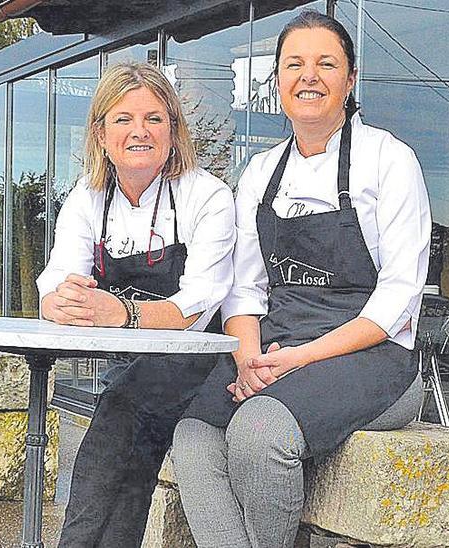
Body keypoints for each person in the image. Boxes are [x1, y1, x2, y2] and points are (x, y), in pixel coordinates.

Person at [172, 10, 431, 548]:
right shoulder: (261, 172)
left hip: (374, 358)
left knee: (258, 432)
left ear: (351, 79)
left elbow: (399, 297)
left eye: (326, 63)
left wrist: (295, 361)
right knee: (194, 433)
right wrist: (249, 358)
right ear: (278, 81)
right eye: (295, 64)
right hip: (276, 348)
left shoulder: (390, 161)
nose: (308, 76)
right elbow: (244, 288)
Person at [36, 62, 235, 548]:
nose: (139, 131)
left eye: (153, 118)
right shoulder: (87, 198)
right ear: (101, 133)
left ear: (173, 129)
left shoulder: (207, 196)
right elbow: (57, 280)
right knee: (128, 462)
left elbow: (195, 308)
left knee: (107, 443)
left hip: (199, 365)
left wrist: (121, 313)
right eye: (123, 119)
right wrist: (61, 304)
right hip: (131, 370)